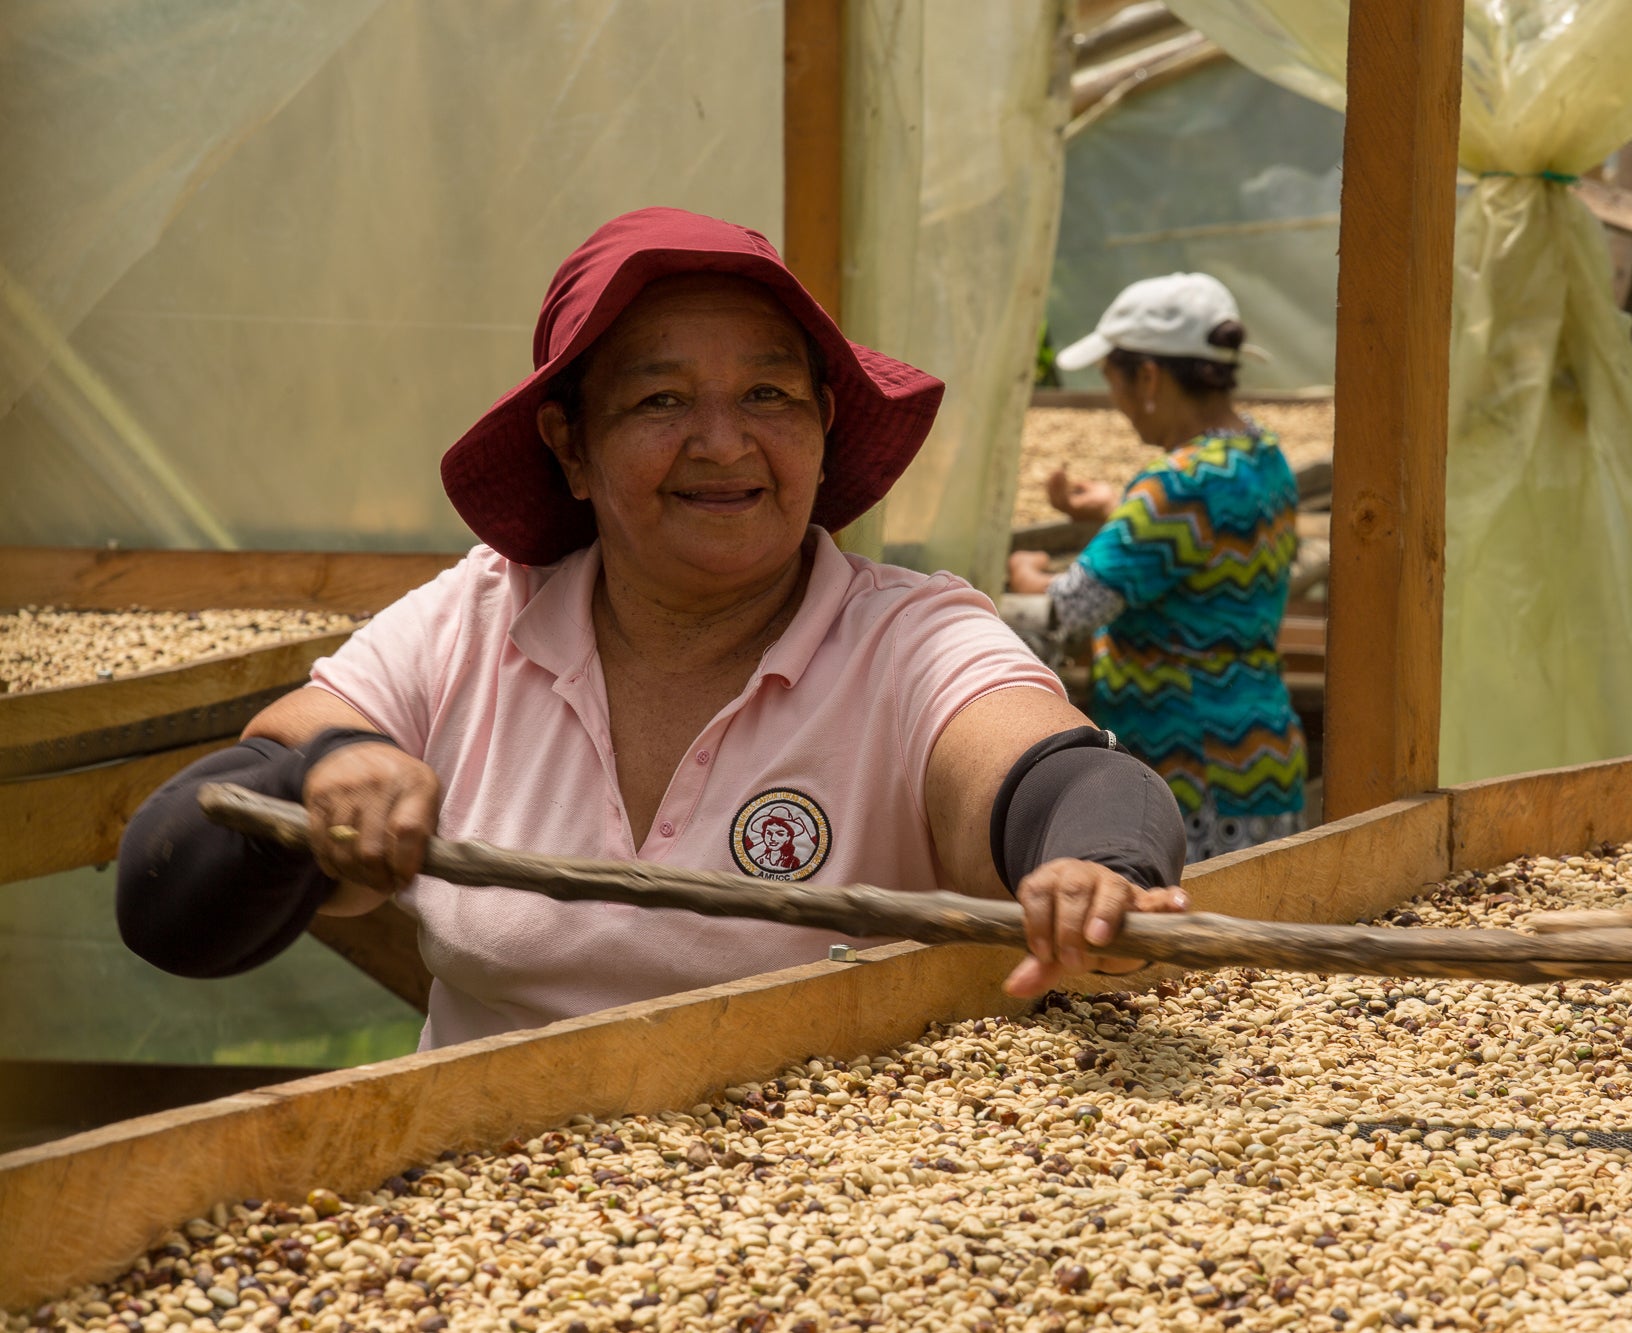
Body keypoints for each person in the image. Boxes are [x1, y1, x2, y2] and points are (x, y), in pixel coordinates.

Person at [115, 208, 1190, 1049]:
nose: (722, 443)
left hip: (835, 1212)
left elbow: (1055, 775)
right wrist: (328, 768)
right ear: (569, 445)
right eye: (660, 402)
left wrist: (1097, 865)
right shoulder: (481, 617)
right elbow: (184, 884)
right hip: (479, 1194)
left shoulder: (907, 639)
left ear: (822, 425)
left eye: (768, 394)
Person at [1008, 272, 1307, 862]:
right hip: (1263, 759)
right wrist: (1117, 512)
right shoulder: (1265, 457)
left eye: (1112, 379)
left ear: (1147, 377)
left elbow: (1067, 608)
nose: (1115, 402)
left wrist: (1023, 572)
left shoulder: (1174, 485)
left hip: (1190, 776)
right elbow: (1205, 551)